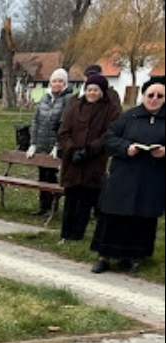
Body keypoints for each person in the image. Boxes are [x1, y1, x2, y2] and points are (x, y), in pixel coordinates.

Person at [89, 76, 165, 274]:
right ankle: (104, 258)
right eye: (151, 95)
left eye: (159, 96)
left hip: (151, 178)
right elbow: (109, 138)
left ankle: (129, 258)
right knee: (113, 218)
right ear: (144, 96)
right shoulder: (128, 117)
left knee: (139, 220)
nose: (154, 99)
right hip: (123, 175)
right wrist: (126, 148)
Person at [56, 73, 121, 242]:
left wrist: (88, 150)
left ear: (102, 91)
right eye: (89, 89)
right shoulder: (75, 106)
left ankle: (77, 234)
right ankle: (65, 232)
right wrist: (71, 149)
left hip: (94, 161)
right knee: (71, 198)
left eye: (96, 90)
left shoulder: (111, 110)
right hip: (73, 161)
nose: (92, 93)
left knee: (86, 199)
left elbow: (109, 134)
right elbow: (64, 131)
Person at [25, 68, 73, 216]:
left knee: (52, 177)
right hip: (42, 143)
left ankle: (53, 207)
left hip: (56, 146)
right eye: (54, 81)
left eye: (60, 81)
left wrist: (58, 146)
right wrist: (33, 144)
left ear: (65, 83)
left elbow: (66, 124)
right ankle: (42, 206)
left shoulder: (69, 99)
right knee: (42, 176)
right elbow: (36, 121)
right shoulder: (45, 98)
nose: (57, 84)